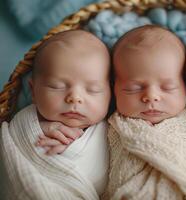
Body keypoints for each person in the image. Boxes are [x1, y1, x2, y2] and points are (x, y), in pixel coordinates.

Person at [102, 25, 186, 199]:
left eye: (168, 87)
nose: (151, 96)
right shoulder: (106, 123)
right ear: (113, 88)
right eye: (134, 88)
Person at [0, 29, 111, 199]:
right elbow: (10, 148)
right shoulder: (24, 121)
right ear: (33, 91)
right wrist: (38, 130)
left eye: (93, 90)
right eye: (56, 86)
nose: (75, 98)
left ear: (111, 94)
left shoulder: (112, 131)